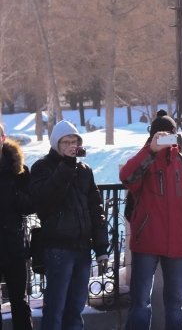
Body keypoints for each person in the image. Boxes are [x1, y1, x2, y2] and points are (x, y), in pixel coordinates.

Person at [119, 112, 182, 330]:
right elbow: (126, 177)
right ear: (152, 136)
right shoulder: (145, 160)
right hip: (147, 241)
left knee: (176, 302)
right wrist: (150, 150)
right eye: (160, 134)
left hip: (178, 242)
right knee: (140, 301)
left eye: (169, 134)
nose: (166, 138)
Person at [29, 119, 109, 330]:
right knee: (55, 309)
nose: (71, 146)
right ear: (56, 144)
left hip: (83, 248)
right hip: (57, 249)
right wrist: (66, 166)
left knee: (75, 308)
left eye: (75, 141)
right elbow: (45, 201)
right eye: (66, 142)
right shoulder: (42, 167)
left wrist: (101, 247)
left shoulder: (84, 170)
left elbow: (95, 209)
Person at [1, 121, 34, 330]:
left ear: (3, 139)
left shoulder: (19, 169)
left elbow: (31, 204)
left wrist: (13, 196)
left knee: (19, 302)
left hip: (14, 245)